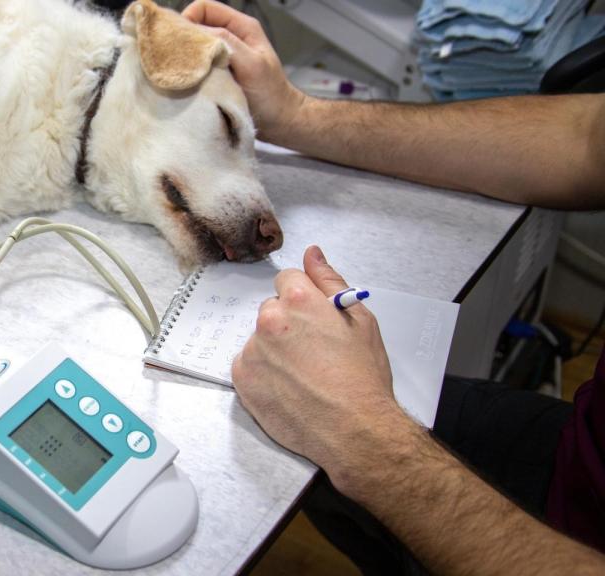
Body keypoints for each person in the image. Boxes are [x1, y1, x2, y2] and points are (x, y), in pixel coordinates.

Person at [181, 1, 605, 574]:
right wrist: (295, 114)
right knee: (307, 464)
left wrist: (363, 434)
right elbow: (586, 139)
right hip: (581, 455)